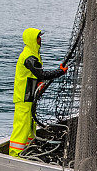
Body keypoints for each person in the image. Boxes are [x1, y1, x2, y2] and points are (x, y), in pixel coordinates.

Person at [10, 28, 67, 157]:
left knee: (30, 127)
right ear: (32, 40)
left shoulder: (34, 54)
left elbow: (36, 76)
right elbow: (41, 74)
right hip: (23, 98)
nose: (40, 40)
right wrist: (60, 72)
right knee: (22, 127)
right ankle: (15, 154)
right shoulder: (28, 57)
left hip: (30, 97)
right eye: (38, 37)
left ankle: (28, 150)